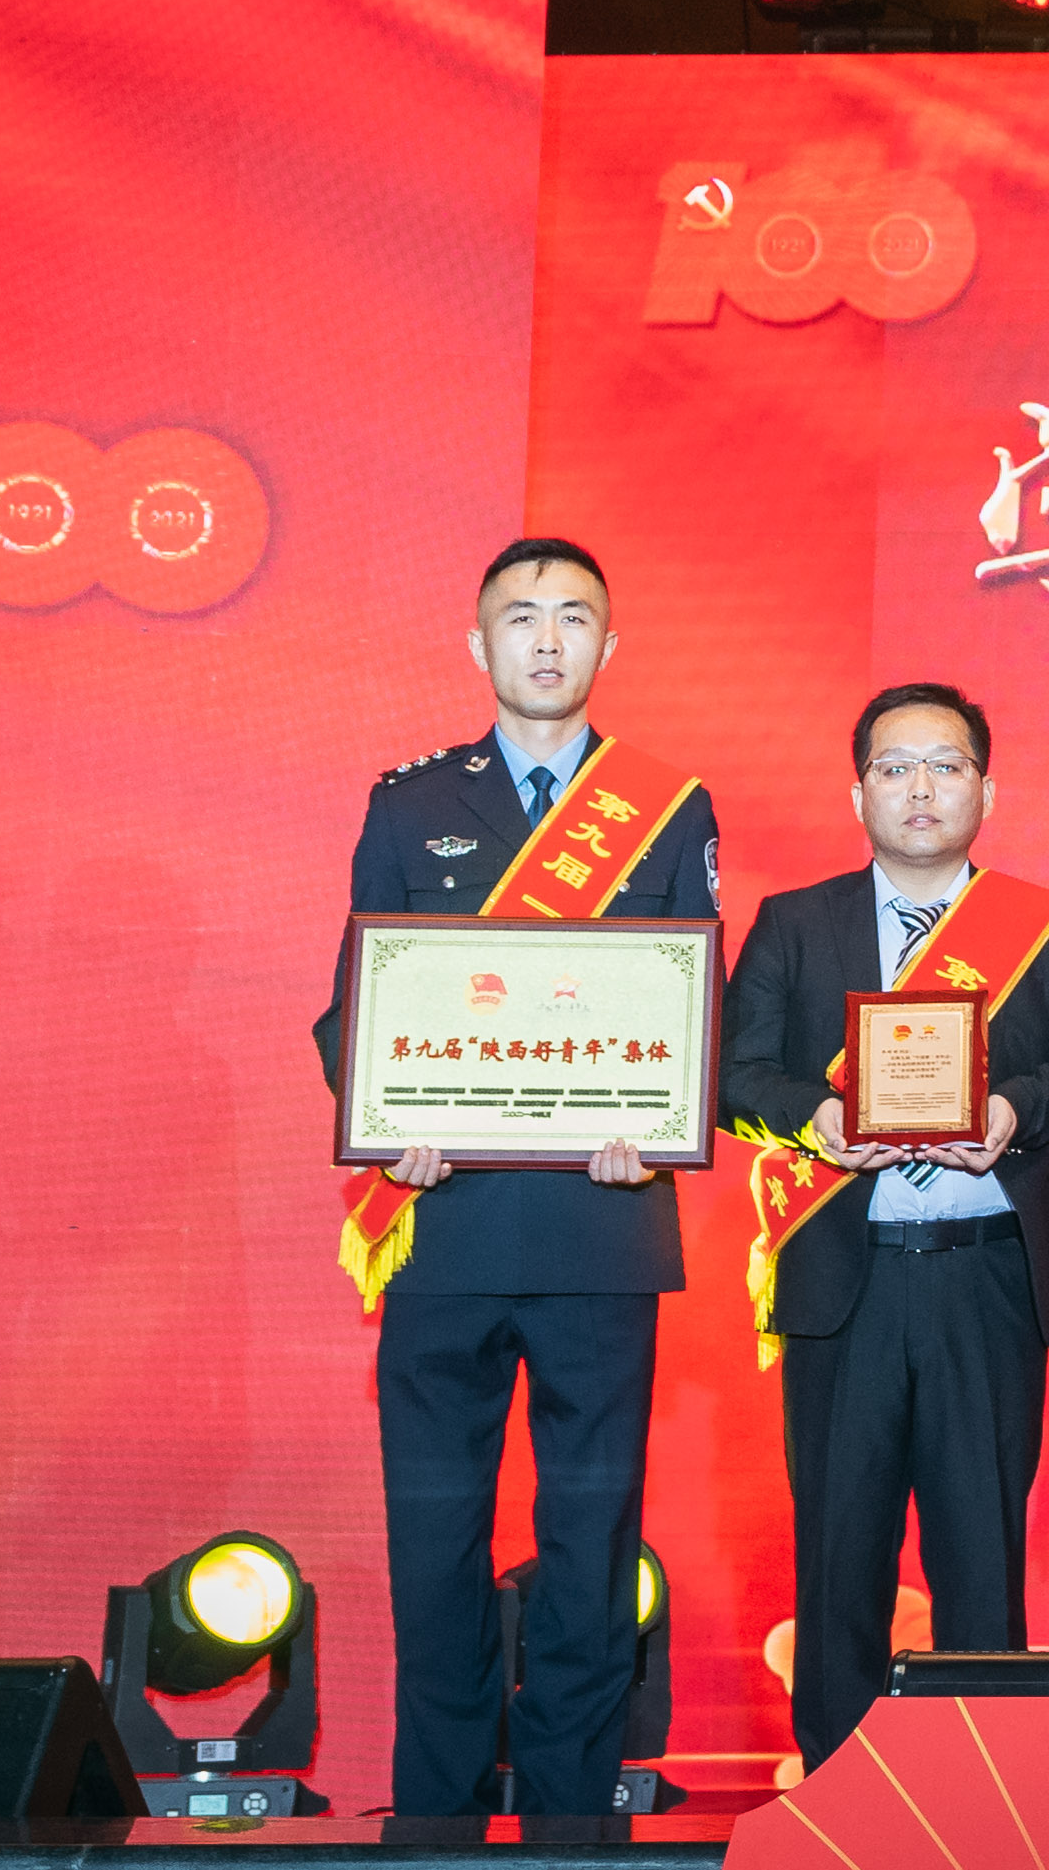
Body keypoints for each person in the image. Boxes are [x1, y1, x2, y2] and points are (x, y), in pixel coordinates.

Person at [315, 536, 721, 1825]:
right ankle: (434, 1820)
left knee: (591, 1549)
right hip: (444, 1224)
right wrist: (387, 1122)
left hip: (603, 1226)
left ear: (611, 643)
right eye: (522, 615)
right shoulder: (408, 801)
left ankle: (569, 1823)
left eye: (574, 616)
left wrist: (658, 1122)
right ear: (478, 642)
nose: (548, 639)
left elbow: (690, 1006)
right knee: (436, 1540)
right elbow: (353, 1008)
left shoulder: (668, 805)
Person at [721, 682, 1049, 1771]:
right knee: (838, 1552)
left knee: (980, 1553)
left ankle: (984, 1795)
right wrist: (813, 1115)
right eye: (894, 766)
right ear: (857, 792)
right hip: (842, 1276)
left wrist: (1014, 1109)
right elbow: (734, 1072)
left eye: (946, 765)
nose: (920, 787)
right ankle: (839, 1791)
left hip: (984, 1278)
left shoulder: (1044, 924)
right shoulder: (795, 922)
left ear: (987, 789)